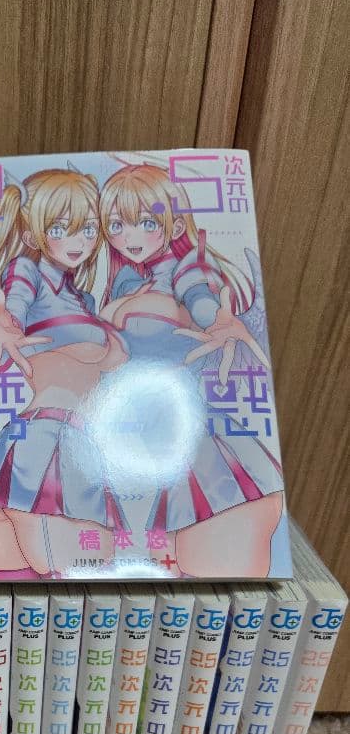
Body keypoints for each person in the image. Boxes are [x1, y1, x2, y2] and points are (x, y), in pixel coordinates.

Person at [97, 161, 283, 576]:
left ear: (175, 225)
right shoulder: (128, 282)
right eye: (117, 225)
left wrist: (217, 319)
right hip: (155, 452)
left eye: (146, 222)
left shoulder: (186, 270)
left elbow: (201, 300)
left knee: (214, 587)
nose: (129, 237)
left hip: (203, 454)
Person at [0, 167, 128, 579]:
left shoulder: (81, 298)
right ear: (32, 235)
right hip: (51, 447)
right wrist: (3, 321)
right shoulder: (29, 272)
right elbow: (13, 303)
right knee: (76, 591)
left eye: (87, 229)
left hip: (37, 449)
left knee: (19, 600)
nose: (78, 241)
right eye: (60, 229)